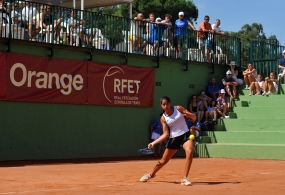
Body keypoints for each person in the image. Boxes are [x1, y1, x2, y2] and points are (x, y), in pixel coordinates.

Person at [140, 96, 196, 186]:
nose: (166, 106)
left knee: (189, 152)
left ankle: (185, 178)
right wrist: (153, 143)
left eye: (167, 104)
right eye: (163, 104)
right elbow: (166, 134)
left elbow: (194, 118)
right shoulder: (163, 118)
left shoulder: (178, 108)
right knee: (163, 161)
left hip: (185, 135)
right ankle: (151, 174)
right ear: (161, 106)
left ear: (170, 103)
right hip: (174, 139)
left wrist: (190, 115)